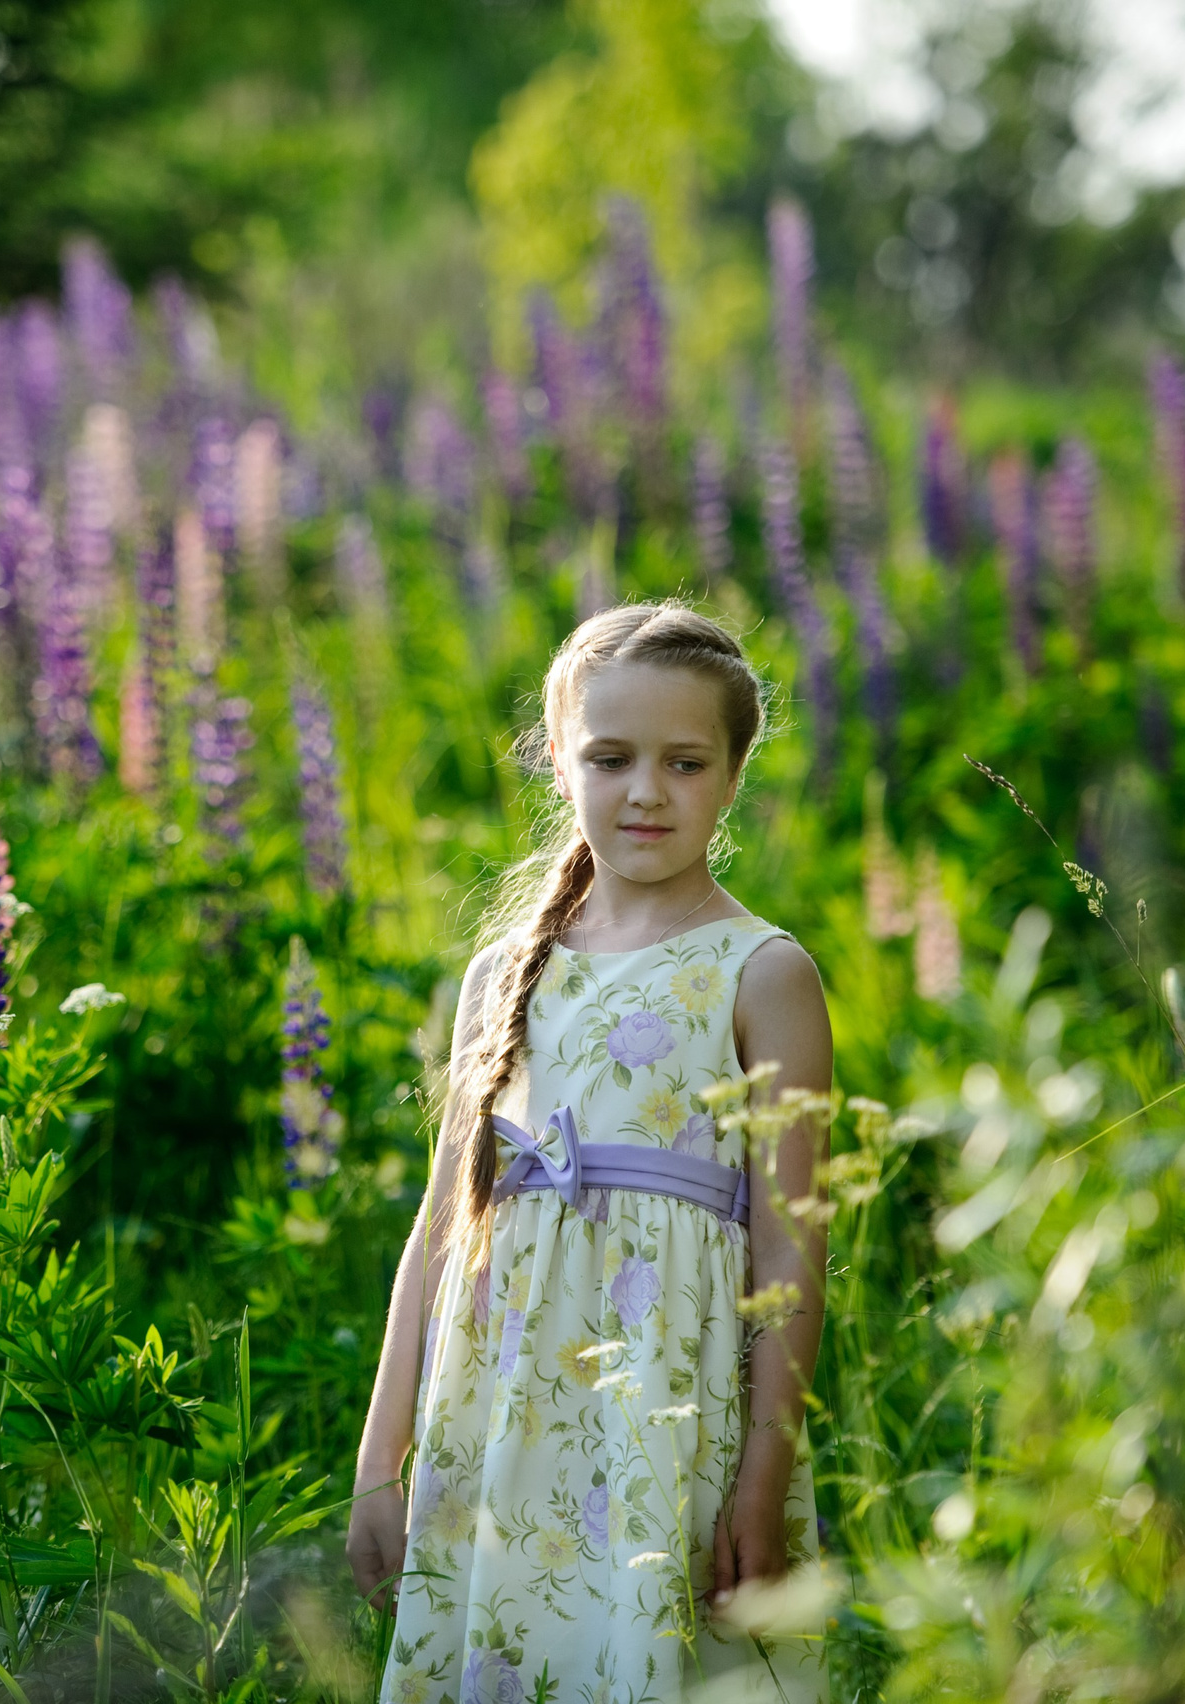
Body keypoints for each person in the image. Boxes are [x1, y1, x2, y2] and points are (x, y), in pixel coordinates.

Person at [347, 601, 835, 1704]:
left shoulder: (761, 972)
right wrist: (382, 1460)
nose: (646, 790)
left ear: (733, 776)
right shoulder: (503, 975)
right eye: (610, 758)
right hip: (499, 1417)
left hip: (667, 1419)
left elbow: (789, 1254)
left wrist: (762, 1478)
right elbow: (440, 1234)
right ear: (559, 765)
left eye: (684, 762)